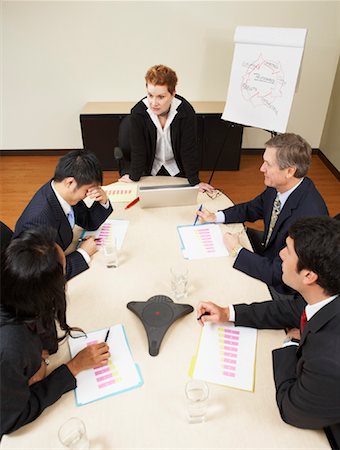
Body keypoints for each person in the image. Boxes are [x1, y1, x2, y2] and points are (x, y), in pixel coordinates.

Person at [197, 216, 340, 450]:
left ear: (309, 276)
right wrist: (227, 313)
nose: (280, 254)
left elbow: (292, 409)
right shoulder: (326, 294)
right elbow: (289, 310)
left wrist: (290, 344)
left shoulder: (328, 361)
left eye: (288, 251)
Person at [0, 228, 110, 438]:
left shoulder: (20, 292)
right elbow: (10, 420)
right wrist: (73, 367)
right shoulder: (10, 347)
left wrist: (41, 353)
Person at [196, 133, 328, 298]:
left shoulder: (309, 217)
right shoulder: (279, 185)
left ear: (289, 171)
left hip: (283, 287)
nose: (261, 169)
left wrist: (237, 250)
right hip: (270, 250)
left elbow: (278, 274)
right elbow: (253, 208)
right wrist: (216, 217)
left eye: (268, 164)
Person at [14, 150, 113, 280]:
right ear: (70, 182)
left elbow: (89, 222)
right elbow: (46, 277)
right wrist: (83, 253)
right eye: (87, 190)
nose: (88, 194)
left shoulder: (61, 192)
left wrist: (103, 200)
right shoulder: (37, 223)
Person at [117, 64, 214, 193]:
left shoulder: (186, 112)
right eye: (150, 95)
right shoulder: (138, 112)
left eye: (161, 97)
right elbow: (139, 149)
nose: (154, 103)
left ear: (173, 93)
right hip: (150, 167)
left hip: (176, 167)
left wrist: (195, 181)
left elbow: (188, 149)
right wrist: (133, 177)